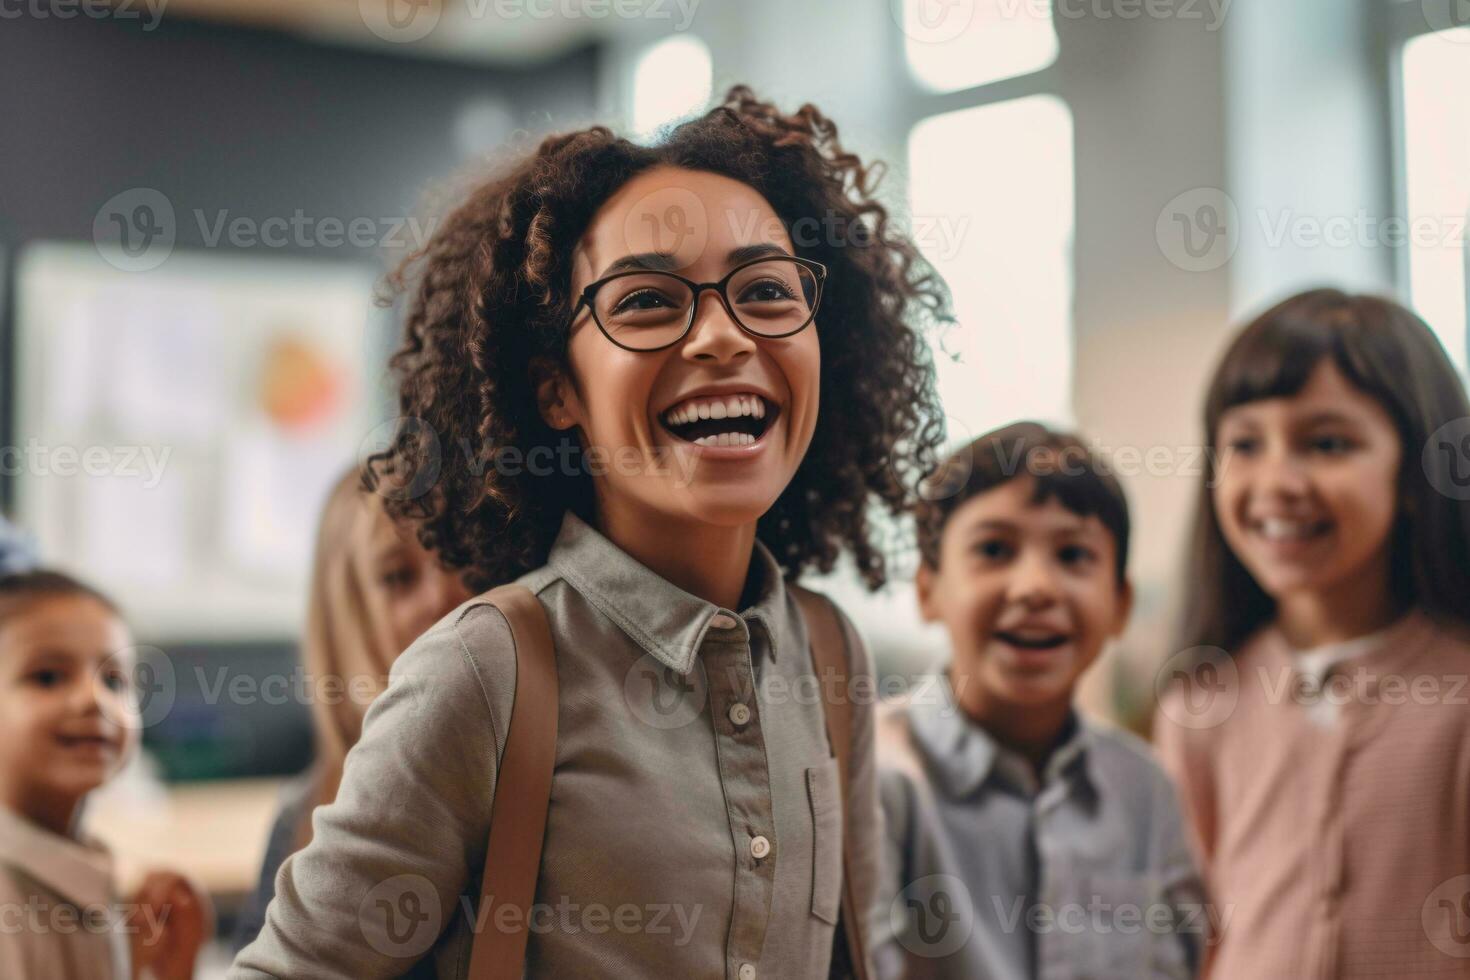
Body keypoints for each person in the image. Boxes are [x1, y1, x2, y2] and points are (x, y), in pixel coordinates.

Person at [231, 85, 951, 978]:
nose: (722, 336)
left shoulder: (832, 657)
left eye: (766, 290)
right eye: (648, 302)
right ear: (556, 391)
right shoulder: (484, 670)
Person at [1154, 289, 1470, 977]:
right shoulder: (1200, 705)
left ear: (1419, 469)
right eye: (1245, 444)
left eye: (1327, 443)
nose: (1278, 481)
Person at [876, 422, 1207, 980]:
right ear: (929, 589)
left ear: (1120, 604)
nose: (1035, 587)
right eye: (995, 549)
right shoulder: (875, 776)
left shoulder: (1145, 791)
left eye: (1074, 554)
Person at [231, 468, 473, 952]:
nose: (444, 597)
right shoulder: (302, 817)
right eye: (398, 577)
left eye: (461, 557)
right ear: (347, 615)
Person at [0, 570, 211, 980]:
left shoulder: (87, 869)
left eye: (114, 681)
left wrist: (164, 969)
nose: (93, 699)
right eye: (47, 676)